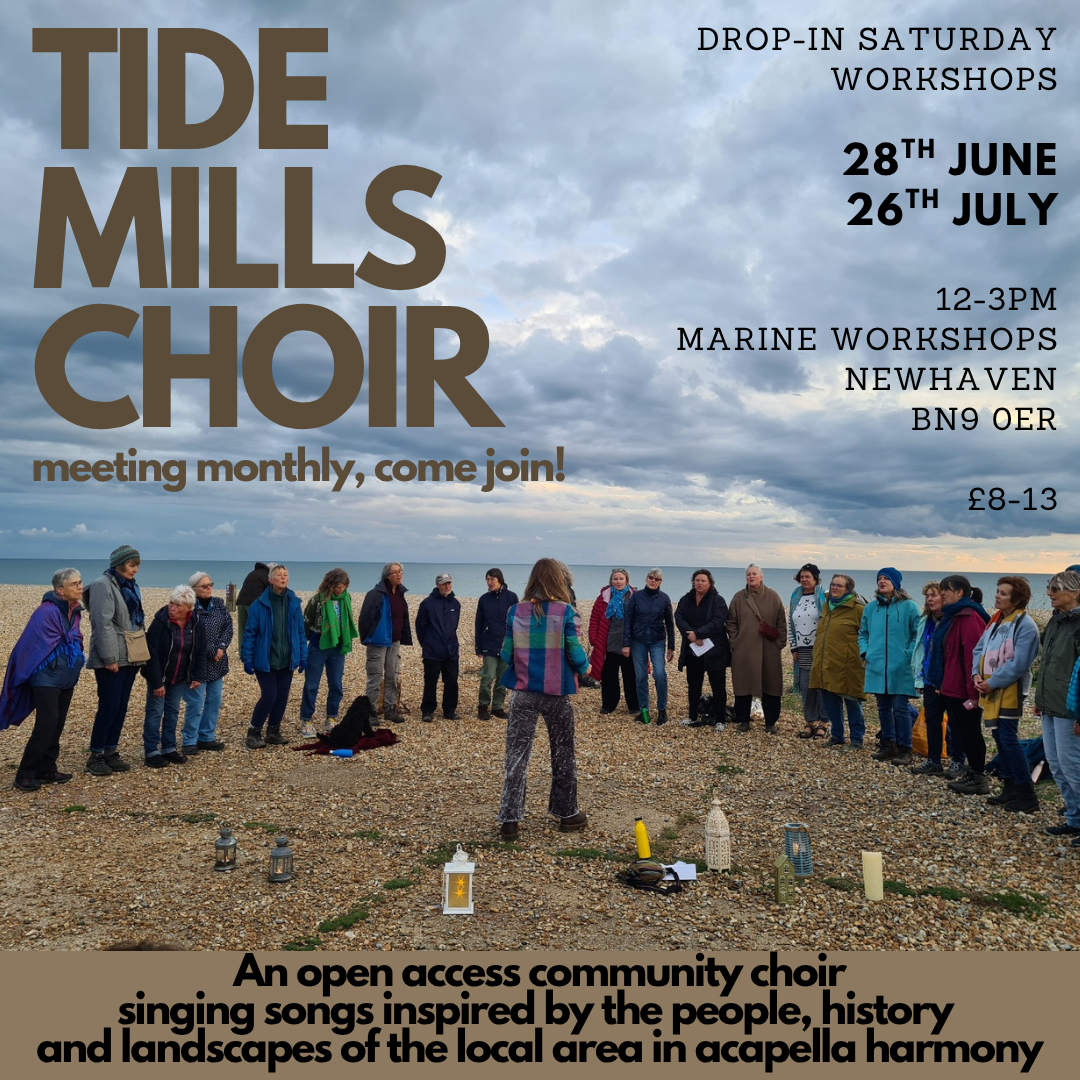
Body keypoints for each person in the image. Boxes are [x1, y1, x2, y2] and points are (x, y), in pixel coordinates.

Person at [497, 557, 590, 840]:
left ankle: (510, 820)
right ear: (559, 580)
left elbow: (504, 653)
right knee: (563, 753)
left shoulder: (515, 610)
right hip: (556, 692)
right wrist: (585, 668)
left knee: (516, 756)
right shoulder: (567, 612)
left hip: (523, 692)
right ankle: (567, 813)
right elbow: (575, 653)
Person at [1, 569, 85, 791]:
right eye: (74, 584)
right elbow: (32, 645)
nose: (80, 587)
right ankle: (25, 774)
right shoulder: (45, 612)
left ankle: (47, 768)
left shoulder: (74, 611)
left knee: (57, 723)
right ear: (60, 590)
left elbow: (75, 638)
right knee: (46, 724)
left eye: (80, 582)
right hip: (45, 677)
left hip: (66, 677)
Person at [972, 576, 1040, 813]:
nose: (997, 596)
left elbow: (1019, 663)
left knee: (1009, 740)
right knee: (1000, 738)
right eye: (997, 591)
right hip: (990, 687)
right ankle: (1010, 788)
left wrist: (993, 682)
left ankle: (1026, 793)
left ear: (1017, 598)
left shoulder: (1026, 625)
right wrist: (976, 676)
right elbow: (979, 649)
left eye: (1003, 593)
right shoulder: (996, 621)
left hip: (1009, 690)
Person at [85, 544, 146, 776]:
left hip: (130, 654)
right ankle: (95, 755)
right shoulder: (103, 585)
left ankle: (111, 751)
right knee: (109, 706)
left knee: (120, 706)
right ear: (119, 564)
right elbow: (102, 623)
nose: (136, 570)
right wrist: (110, 657)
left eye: (138, 565)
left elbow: (136, 620)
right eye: (132, 565)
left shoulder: (130, 585)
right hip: (111, 656)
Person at [927, 574, 990, 795]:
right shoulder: (953, 616)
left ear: (960, 592)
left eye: (947, 589)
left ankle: (978, 775)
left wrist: (972, 694)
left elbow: (972, 658)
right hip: (952, 686)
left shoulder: (969, 617)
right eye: (941, 589)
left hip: (965, 689)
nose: (943, 593)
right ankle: (973, 772)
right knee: (963, 730)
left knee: (970, 732)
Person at [1034, 569, 1080, 842]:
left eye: (1055, 588)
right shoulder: (1056, 622)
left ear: (1075, 593)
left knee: (1072, 765)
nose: (1049, 593)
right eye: (1050, 587)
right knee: (1057, 765)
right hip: (1050, 704)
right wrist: (1041, 700)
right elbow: (1049, 665)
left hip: (1070, 708)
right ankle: (1074, 819)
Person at [859, 567, 921, 766]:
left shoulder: (909, 607)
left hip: (900, 666)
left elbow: (917, 634)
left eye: (886, 578)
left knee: (900, 708)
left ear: (896, 582)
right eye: (879, 578)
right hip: (877, 665)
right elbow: (863, 633)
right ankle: (888, 744)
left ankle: (905, 748)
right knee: (883, 707)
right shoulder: (871, 608)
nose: (882, 581)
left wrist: (908, 654)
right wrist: (865, 652)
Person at [241, 564, 306, 749]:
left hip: (287, 659)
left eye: (285, 575)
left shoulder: (294, 602)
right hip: (265, 659)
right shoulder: (258, 604)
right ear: (270, 579)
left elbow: (300, 632)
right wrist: (247, 658)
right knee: (269, 695)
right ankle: (253, 731)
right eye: (279, 575)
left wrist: (303, 656)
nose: (283, 578)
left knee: (282, 696)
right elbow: (250, 633)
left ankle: (273, 731)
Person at [142, 585, 207, 767]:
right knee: (155, 712)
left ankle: (169, 747)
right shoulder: (160, 622)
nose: (172, 608)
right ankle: (151, 750)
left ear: (188, 608)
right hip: (159, 675)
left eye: (178, 606)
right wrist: (156, 683)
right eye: (171, 603)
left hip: (179, 677)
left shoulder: (196, 623)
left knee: (172, 711)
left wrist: (197, 675)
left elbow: (200, 651)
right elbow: (151, 655)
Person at [726, 565, 786, 733]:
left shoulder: (773, 596)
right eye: (748, 574)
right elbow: (731, 622)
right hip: (744, 650)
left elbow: (781, 621)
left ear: (761, 577)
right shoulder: (739, 598)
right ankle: (743, 721)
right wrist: (735, 642)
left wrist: (779, 643)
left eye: (754, 574)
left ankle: (770, 723)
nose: (751, 576)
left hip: (769, 649)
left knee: (771, 687)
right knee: (743, 687)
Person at [809, 575, 866, 748]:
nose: (834, 588)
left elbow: (866, 634)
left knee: (852, 700)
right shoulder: (827, 604)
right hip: (826, 661)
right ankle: (837, 735)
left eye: (839, 586)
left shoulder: (858, 609)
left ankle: (857, 739)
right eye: (833, 584)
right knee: (830, 701)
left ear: (848, 589)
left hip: (847, 663)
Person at [300, 568, 357, 737]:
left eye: (344, 587)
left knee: (336, 685)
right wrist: (304, 646)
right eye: (338, 587)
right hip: (318, 646)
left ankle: (331, 718)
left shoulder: (346, 598)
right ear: (330, 585)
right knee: (311, 685)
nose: (341, 590)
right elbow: (306, 622)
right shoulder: (317, 600)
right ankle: (306, 720)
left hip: (338, 647)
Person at [181, 572, 233, 754]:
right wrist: (212, 650)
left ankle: (206, 737)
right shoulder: (188, 608)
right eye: (204, 586)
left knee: (214, 700)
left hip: (218, 663)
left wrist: (221, 647)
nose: (209, 587)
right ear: (193, 589)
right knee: (195, 703)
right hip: (196, 664)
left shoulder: (219, 604)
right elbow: (190, 634)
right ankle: (189, 740)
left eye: (210, 584)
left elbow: (228, 627)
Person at [674, 569, 730, 728]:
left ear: (710, 583)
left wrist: (698, 634)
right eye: (697, 580)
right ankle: (692, 716)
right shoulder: (686, 599)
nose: (699, 583)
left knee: (718, 686)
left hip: (714, 651)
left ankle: (720, 720)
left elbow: (718, 621)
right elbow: (679, 617)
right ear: (693, 582)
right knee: (693, 685)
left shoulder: (717, 600)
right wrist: (690, 635)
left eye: (703, 581)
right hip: (693, 651)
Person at [358, 562, 411, 723]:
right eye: (395, 572)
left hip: (394, 641)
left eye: (400, 571)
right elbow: (364, 619)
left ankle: (390, 709)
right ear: (387, 576)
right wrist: (368, 638)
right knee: (375, 676)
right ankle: (371, 712)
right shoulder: (376, 594)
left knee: (392, 676)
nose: (399, 574)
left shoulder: (400, 593)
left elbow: (403, 617)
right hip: (378, 642)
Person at [623, 568, 675, 725]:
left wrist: (671, 647)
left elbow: (670, 624)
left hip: (657, 641)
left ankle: (662, 710)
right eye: (651, 577)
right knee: (640, 676)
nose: (653, 580)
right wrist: (626, 644)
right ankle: (644, 710)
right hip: (638, 641)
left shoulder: (664, 598)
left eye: (657, 579)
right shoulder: (636, 597)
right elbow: (628, 620)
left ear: (660, 582)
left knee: (659, 674)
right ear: (646, 579)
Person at [587, 569, 639, 715]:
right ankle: (608, 705)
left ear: (627, 580)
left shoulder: (635, 597)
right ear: (611, 581)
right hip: (608, 643)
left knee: (631, 676)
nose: (618, 582)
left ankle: (634, 706)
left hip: (629, 643)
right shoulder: (603, 597)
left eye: (621, 579)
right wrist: (593, 639)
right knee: (608, 676)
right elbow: (595, 619)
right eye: (615, 579)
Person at [910, 582, 948, 776]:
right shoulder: (926, 620)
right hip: (929, 678)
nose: (930, 599)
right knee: (932, 720)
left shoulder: (951, 620)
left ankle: (960, 760)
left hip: (949, 680)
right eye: (927, 596)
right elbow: (920, 650)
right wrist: (919, 678)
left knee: (956, 722)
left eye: (934, 595)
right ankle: (933, 760)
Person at [788, 563, 829, 738]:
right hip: (802, 648)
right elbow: (791, 622)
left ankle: (823, 723)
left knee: (822, 685)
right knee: (807, 686)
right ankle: (810, 722)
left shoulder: (824, 595)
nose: (804, 580)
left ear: (816, 578)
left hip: (821, 648)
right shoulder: (795, 596)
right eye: (802, 576)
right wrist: (793, 646)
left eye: (808, 577)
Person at [416, 572, 462, 722]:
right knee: (430, 682)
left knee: (451, 681)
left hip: (451, 651)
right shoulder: (427, 603)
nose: (447, 586)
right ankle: (428, 710)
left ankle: (449, 710)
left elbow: (454, 626)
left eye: (449, 583)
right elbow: (420, 627)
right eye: (444, 583)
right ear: (438, 585)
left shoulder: (456, 604)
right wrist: (427, 644)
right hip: (432, 651)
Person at [474, 568, 518, 719]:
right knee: (488, 676)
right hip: (489, 643)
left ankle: (497, 707)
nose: (489, 582)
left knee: (502, 677)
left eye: (492, 579)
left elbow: (517, 621)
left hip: (506, 644)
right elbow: (478, 623)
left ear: (500, 580)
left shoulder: (512, 597)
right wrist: (478, 646)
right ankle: (483, 705)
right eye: (487, 579)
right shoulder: (484, 599)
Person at [235, 562, 272, 642]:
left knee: (242, 630)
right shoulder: (267, 576)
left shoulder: (252, 573)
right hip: (253, 604)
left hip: (241, 602)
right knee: (256, 630)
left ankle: (242, 653)